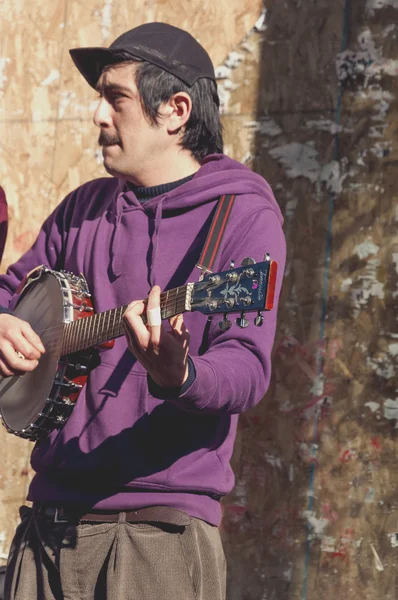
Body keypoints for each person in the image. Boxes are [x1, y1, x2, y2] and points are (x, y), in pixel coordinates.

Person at [0, 22, 286, 600]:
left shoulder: (241, 216)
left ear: (176, 110)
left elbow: (247, 368)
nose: (100, 116)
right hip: (47, 521)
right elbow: (9, 290)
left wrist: (181, 375)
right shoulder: (82, 209)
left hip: (158, 538)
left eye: (116, 98)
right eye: (100, 98)